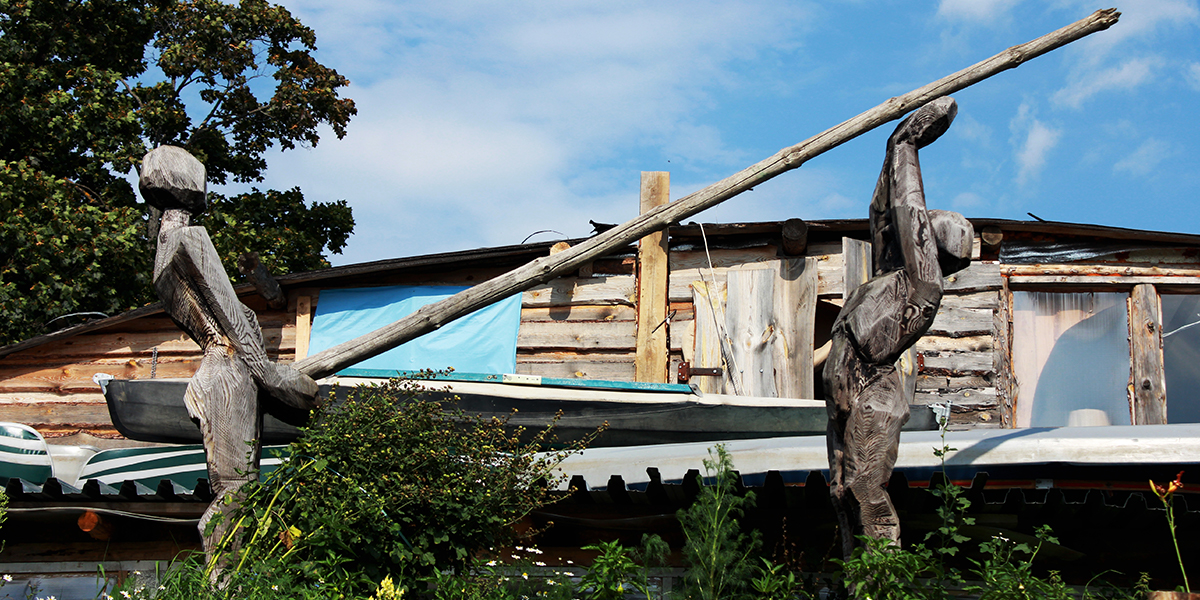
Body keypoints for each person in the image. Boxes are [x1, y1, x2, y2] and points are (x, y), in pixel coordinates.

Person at [140, 145, 319, 558]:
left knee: (230, 486)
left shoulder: (163, 251)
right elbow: (231, 320)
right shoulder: (191, 239)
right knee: (237, 488)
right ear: (189, 182)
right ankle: (224, 581)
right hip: (230, 371)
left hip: (215, 369)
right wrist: (274, 377)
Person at [822, 97, 974, 557]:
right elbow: (884, 215)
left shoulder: (923, 285)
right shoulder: (894, 277)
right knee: (841, 493)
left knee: (865, 491)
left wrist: (909, 144)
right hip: (850, 386)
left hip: (874, 391)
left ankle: (882, 577)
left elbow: (908, 214)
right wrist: (892, 147)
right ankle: (859, 580)